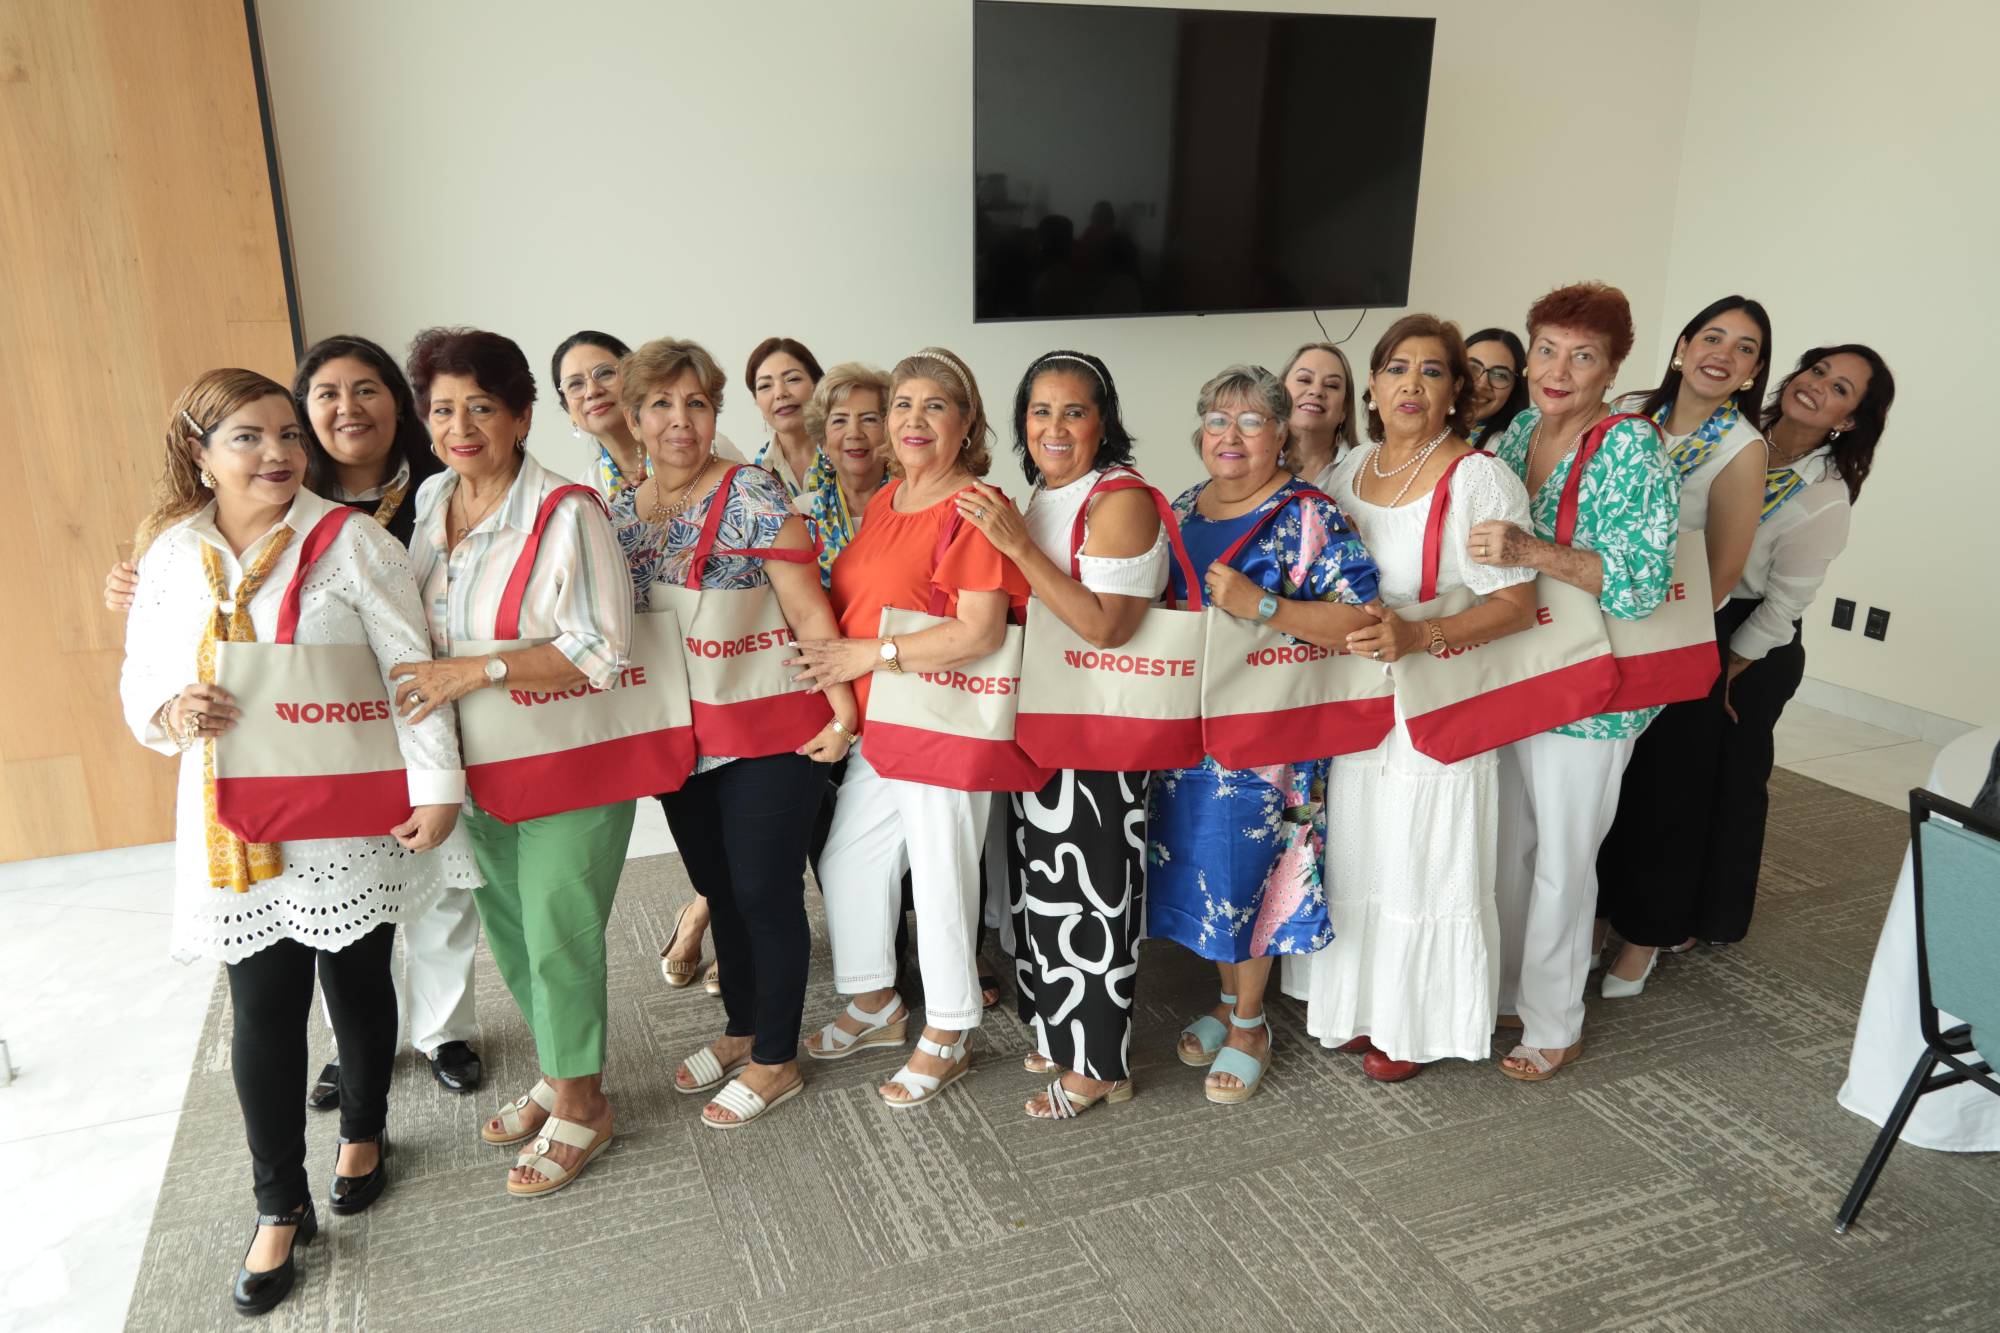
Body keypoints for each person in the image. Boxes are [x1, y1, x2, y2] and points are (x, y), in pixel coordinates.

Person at [118, 369, 473, 1315]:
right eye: (248, 437)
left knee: (356, 981)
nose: (278, 453)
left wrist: (437, 786)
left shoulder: (349, 541)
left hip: (344, 812)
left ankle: (365, 1128)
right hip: (232, 819)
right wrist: (169, 707)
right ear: (200, 452)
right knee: (261, 1009)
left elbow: (412, 667)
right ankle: (279, 1202)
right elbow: (139, 679)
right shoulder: (169, 555)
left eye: (287, 433)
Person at [390, 327, 637, 1195]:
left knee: (560, 929)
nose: (461, 426)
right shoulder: (429, 504)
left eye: (482, 408)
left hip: (569, 760)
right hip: (476, 764)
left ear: (523, 415)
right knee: (511, 930)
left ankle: (586, 1104)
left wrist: (478, 668)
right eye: (444, 409)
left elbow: (602, 648)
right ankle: (561, 1071)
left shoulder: (569, 511)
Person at [609, 336, 859, 1126]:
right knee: (721, 884)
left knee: (763, 888)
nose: (679, 420)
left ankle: (778, 1057)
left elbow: (811, 607)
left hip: (770, 725)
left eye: (696, 402)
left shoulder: (752, 492)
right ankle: (744, 1027)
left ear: (715, 409)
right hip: (681, 736)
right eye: (660, 404)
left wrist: (844, 706)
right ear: (634, 417)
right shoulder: (623, 512)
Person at [1282, 315, 1539, 1082]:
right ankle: (1363, 1005)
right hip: (1354, 696)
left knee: (1424, 854)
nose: (1411, 385)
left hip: (1431, 696)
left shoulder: (1478, 478)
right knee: (1361, 850)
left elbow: (1517, 605)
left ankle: (1414, 1019)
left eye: (1432, 372)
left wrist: (1421, 638)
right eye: (1397, 368)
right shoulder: (1348, 469)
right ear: (1372, 382)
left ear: (1458, 389)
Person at [792, 348, 1030, 1107]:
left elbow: (978, 632)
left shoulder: (974, 507)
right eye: (902, 405)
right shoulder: (888, 500)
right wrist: (849, 706)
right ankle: (877, 1003)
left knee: (940, 880)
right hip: (887, 724)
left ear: (967, 424)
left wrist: (871, 654)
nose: (914, 419)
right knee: (849, 859)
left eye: (935, 405)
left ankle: (950, 1030)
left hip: (946, 724)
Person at [1608, 345, 1895, 965]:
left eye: (1840, 389)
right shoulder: (1731, 435)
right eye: (1817, 371)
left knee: (1727, 784)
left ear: (1848, 419)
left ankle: (1702, 918)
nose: (1818, 387)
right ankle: (1630, 901)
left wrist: (1729, 668)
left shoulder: (1823, 494)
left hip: (1750, 641)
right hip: (1682, 607)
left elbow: (1786, 602)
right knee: (1654, 772)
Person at [1147, 364, 1381, 1105]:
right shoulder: (1183, 505)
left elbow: (1364, 623)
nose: (1231, 435)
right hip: (1190, 730)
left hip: (1265, 741)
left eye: (1251, 421)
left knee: (1245, 878)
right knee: (1206, 877)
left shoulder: (1307, 513)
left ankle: (1251, 1023)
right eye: (1218, 419)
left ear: (1282, 432)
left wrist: (1263, 604)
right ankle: (1226, 1000)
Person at [951, 349, 1168, 1119]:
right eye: (1040, 411)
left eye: (1073, 411)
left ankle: (1100, 1062)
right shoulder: (1042, 495)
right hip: (1044, 720)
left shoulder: (1121, 497)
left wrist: (1014, 546)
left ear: (1102, 422)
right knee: (1044, 883)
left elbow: (1105, 626)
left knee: (1095, 893)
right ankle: (1060, 1025)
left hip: (1101, 730)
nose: (1054, 426)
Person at [1476, 282, 1679, 1081]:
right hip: (1521, 667)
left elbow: (1643, 581)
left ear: (1613, 367)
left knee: (1564, 853)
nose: (1559, 369)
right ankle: (1508, 986)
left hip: (1596, 690)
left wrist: (1532, 553)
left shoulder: (1632, 446)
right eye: (1548, 349)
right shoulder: (1519, 429)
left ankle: (1555, 1020)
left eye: (1583, 356)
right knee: (1511, 843)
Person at [1595, 296, 1774, 991]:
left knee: (1666, 792)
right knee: (1606, 785)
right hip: (1600, 617)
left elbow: (1724, 572)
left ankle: (1646, 934)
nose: (1723, 352)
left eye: (1746, 348)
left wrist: (1641, 592)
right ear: (1680, 347)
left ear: (1752, 373)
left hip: (1682, 629)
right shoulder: (1632, 413)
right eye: (1712, 335)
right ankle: (1601, 912)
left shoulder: (1741, 447)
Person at [552, 329, 744, 499]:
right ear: (568, 408)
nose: (592, 391)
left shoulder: (703, 445)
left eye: (605, 373)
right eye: (575, 384)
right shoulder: (586, 493)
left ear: (635, 379)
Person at [797, 361, 892, 586]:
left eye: (869, 419)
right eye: (840, 420)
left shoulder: (914, 507)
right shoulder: (802, 516)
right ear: (823, 441)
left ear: (889, 431)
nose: (854, 433)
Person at [746, 335, 828, 505]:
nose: (780, 393)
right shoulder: (754, 479)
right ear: (757, 402)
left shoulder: (848, 454)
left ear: (818, 385)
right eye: (765, 386)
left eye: (792, 379)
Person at [1279, 341, 1360, 483]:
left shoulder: (1364, 469)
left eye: (1331, 385)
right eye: (1304, 380)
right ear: (1280, 392)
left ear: (1344, 408)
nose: (1316, 391)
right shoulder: (1253, 462)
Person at [1463, 328, 1529, 447]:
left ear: (1515, 389)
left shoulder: (1503, 451)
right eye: (1472, 368)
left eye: (1500, 375)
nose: (1482, 384)